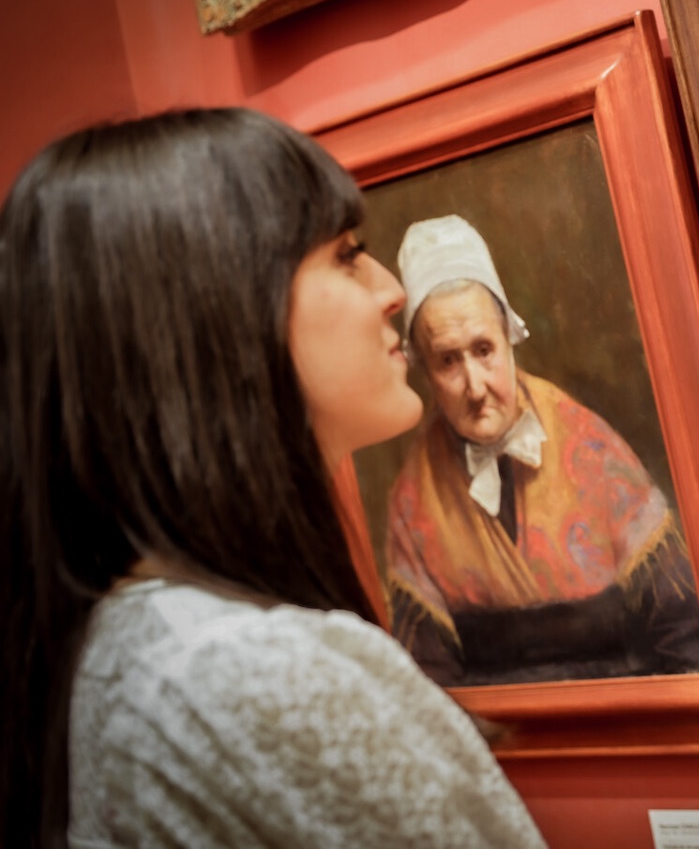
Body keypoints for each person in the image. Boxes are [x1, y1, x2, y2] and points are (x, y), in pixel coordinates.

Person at [0, 110, 547, 847]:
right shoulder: (255, 670)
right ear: (215, 311)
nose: (390, 289)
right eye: (348, 253)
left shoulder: (131, 638)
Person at [385, 215, 699, 685]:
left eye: (483, 350)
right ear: (424, 369)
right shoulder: (415, 499)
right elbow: (428, 683)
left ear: (509, 339)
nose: (475, 387)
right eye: (448, 361)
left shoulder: (590, 448)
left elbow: (683, 635)